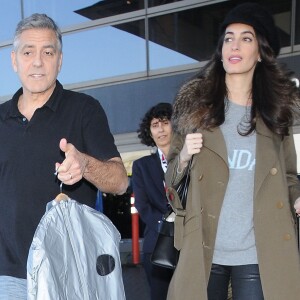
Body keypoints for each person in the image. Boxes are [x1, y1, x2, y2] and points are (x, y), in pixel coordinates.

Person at [165, 2, 300, 300]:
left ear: (261, 52)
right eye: (228, 38)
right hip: (204, 247)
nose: (234, 45)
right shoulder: (195, 108)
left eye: (246, 38)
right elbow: (172, 182)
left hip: (258, 251)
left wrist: (297, 197)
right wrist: (185, 155)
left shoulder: (276, 114)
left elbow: (289, 176)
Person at [0, 13, 128, 299]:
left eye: (48, 52)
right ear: (14, 60)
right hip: (7, 277)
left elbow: (119, 181)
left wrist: (85, 164)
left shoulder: (84, 110)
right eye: (28, 52)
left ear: (59, 60)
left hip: (68, 274)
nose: (37, 62)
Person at [132, 103, 174, 300]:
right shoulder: (141, 166)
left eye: (165, 123)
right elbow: (142, 205)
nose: (160, 129)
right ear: (149, 131)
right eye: (155, 125)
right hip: (157, 245)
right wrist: (166, 226)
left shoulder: (191, 159)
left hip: (191, 242)